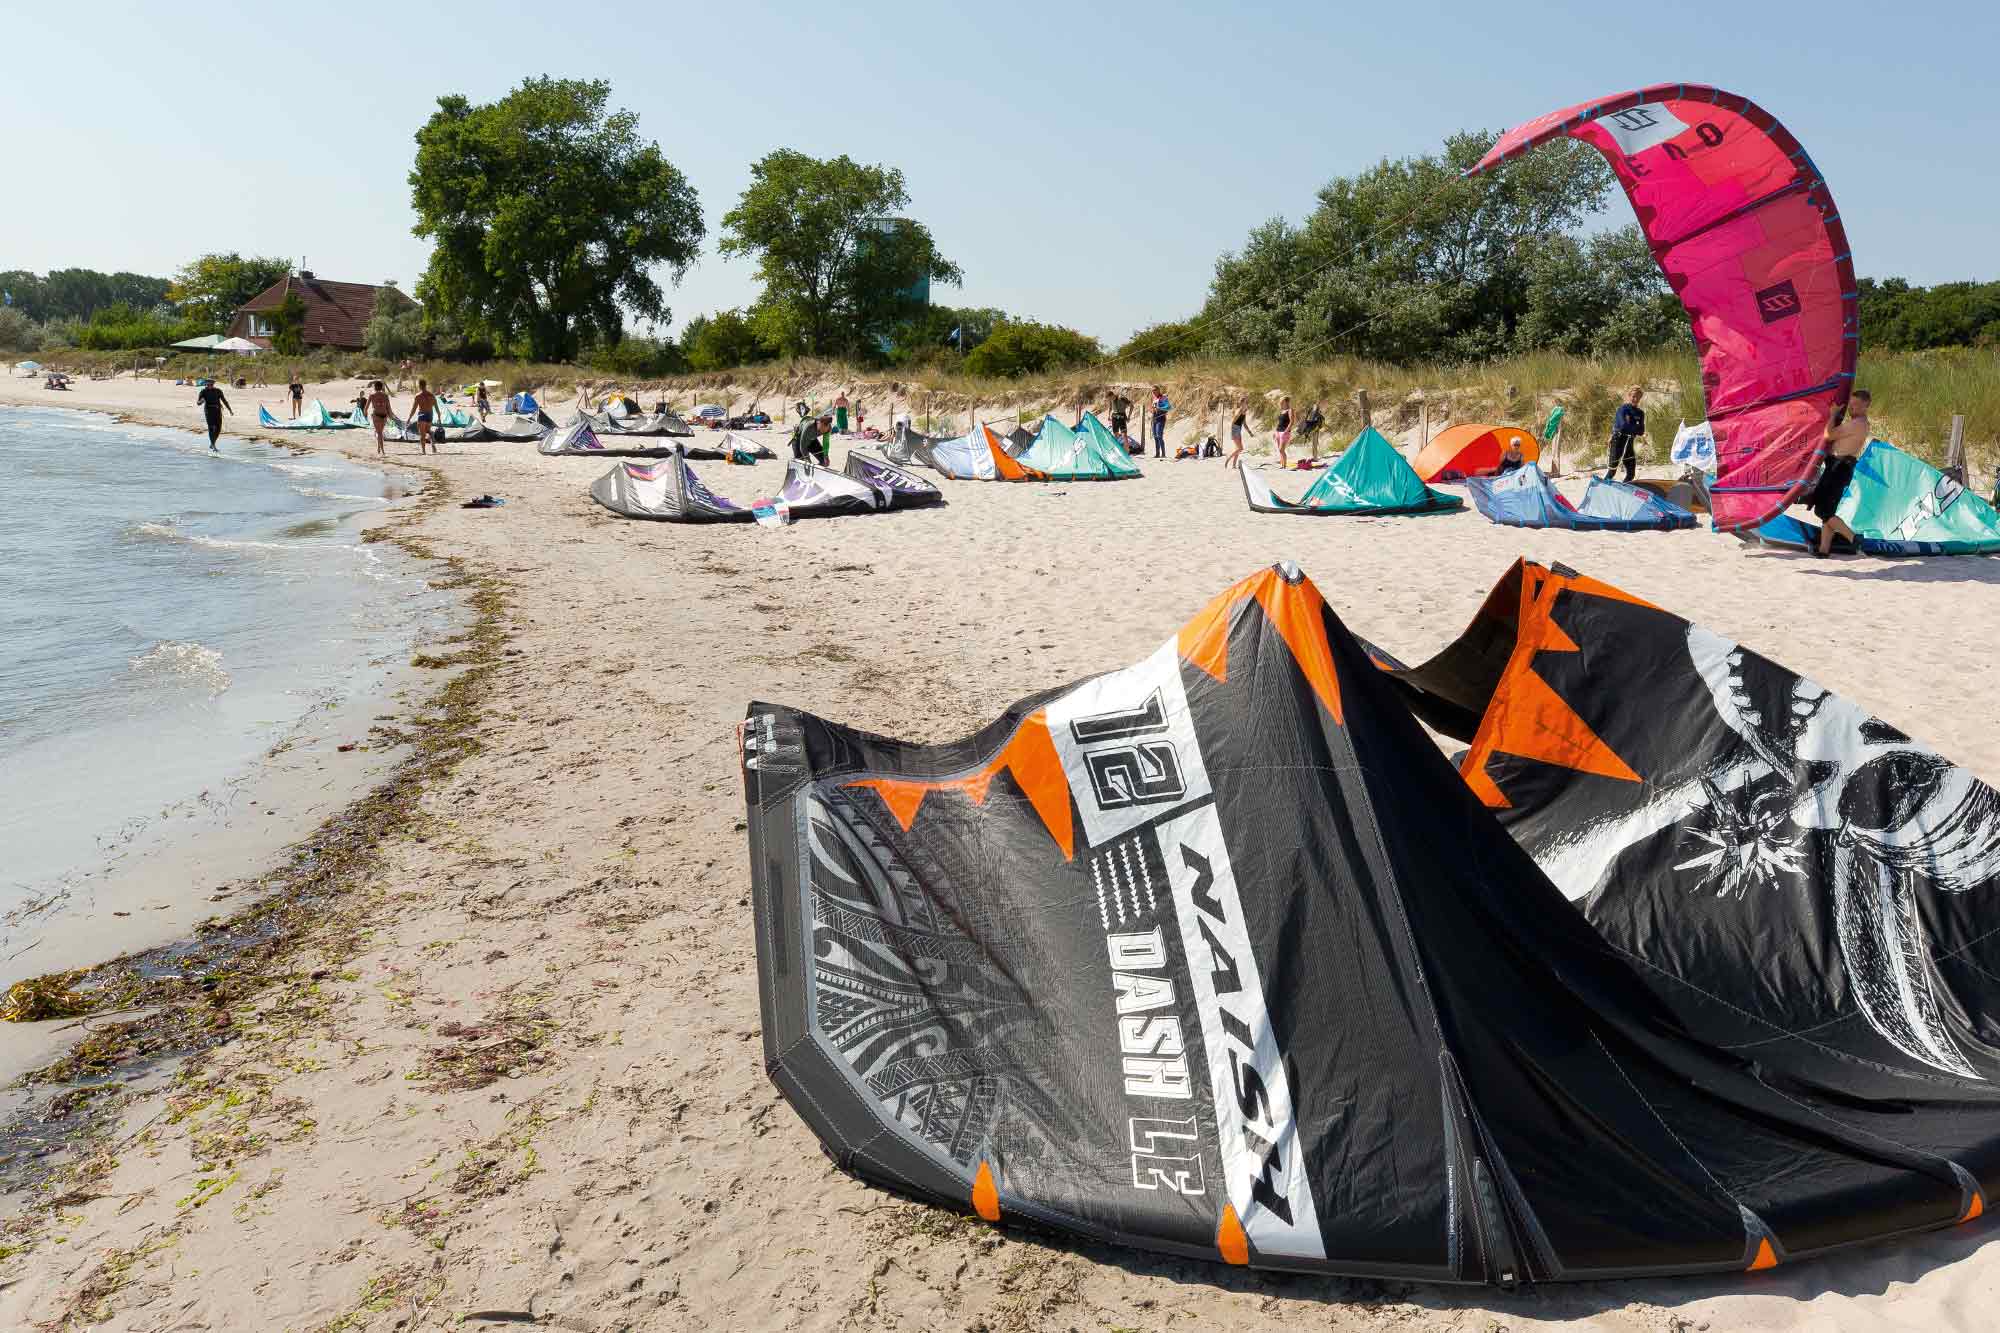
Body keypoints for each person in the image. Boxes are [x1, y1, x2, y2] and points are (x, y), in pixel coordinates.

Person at [1804, 389, 1873, 557]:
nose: (1852, 408)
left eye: (1857, 405)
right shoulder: (1858, 423)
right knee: (1827, 512)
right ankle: (1823, 550)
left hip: (1839, 468)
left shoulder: (1857, 424)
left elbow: (1828, 435)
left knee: (1823, 511)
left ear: (1866, 406)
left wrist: (1833, 414)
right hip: (1837, 467)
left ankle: (1853, 539)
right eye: (1851, 405)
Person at [1606, 386, 1645, 483]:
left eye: (1638, 397)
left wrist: (1630, 427)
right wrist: (1635, 427)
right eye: (1633, 396)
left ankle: (1623, 489)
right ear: (1629, 396)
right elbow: (1623, 426)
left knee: (1631, 473)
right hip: (1618, 441)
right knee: (1612, 471)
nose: (1635, 399)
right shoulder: (1623, 409)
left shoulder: (1640, 413)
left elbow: (1641, 431)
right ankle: (1601, 487)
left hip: (1629, 442)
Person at [196, 381, 232, 450]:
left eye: (211, 384)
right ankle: (213, 445)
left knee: (218, 428)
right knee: (212, 428)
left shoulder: (218, 391)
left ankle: (213, 443)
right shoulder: (203, 391)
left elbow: (224, 400)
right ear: (206, 384)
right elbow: (198, 402)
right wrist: (201, 401)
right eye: (208, 384)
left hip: (217, 411)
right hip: (208, 411)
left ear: (213, 384)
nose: (210, 386)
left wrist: (230, 410)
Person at [408, 378, 438, 454]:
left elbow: (414, 409)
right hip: (430, 415)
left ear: (420, 386)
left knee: (422, 434)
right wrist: (439, 417)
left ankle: (423, 451)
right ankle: (433, 444)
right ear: (425, 385)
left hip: (422, 415)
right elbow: (436, 407)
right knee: (428, 431)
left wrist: (409, 418)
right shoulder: (432, 395)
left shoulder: (418, 396)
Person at [366, 380, 393, 457]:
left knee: (379, 433)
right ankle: (379, 449)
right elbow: (389, 407)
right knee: (380, 432)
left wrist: (365, 413)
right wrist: (391, 416)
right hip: (384, 415)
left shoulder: (372, 395)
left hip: (376, 415)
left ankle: (382, 451)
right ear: (381, 387)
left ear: (375, 387)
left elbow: (366, 407)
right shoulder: (385, 395)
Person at [1225, 404, 1248, 471]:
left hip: (1238, 430)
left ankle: (1234, 465)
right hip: (1235, 430)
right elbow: (1233, 422)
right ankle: (1228, 458)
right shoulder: (1239, 411)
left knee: (1238, 448)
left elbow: (1244, 424)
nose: (1247, 406)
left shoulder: (1244, 413)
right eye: (1245, 404)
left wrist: (1250, 432)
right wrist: (1233, 432)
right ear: (1242, 405)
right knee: (1240, 448)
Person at [1274, 395, 1293, 469]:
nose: (1280, 402)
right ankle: (1282, 465)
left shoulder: (1290, 410)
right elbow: (1279, 422)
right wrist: (1275, 431)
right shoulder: (1282, 411)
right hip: (1278, 431)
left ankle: (1284, 466)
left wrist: (1286, 431)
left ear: (1286, 401)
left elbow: (1291, 422)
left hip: (1285, 432)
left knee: (1281, 449)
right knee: (1280, 450)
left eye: (1282, 401)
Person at [1150, 387, 1170, 459]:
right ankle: (1157, 454)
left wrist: (1159, 408)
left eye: (1154, 390)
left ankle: (1163, 454)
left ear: (1158, 390)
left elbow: (1168, 407)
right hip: (1154, 418)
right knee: (1155, 436)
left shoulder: (1163, 398)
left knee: (1159, 435)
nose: (1153, 392)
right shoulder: (1154, 398)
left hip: (1161, 418)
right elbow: (1153, 408)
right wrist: (1152, 410)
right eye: (1152, 391)